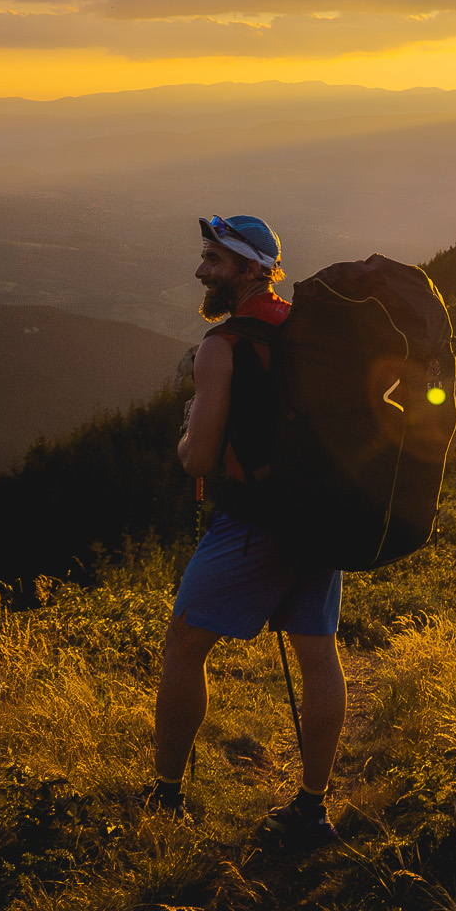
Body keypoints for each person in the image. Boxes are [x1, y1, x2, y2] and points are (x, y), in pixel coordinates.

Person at [146, 212, 344, 848]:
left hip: (253, 524)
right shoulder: (307, 332)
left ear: (252, 269)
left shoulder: (222, 347)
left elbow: (198, 461)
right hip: (321, 517)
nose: (202, 270)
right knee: (318, 655)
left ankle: (167, 796)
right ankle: (312, 808)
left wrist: (186, 430)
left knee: (185, 644)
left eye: (214, 259)